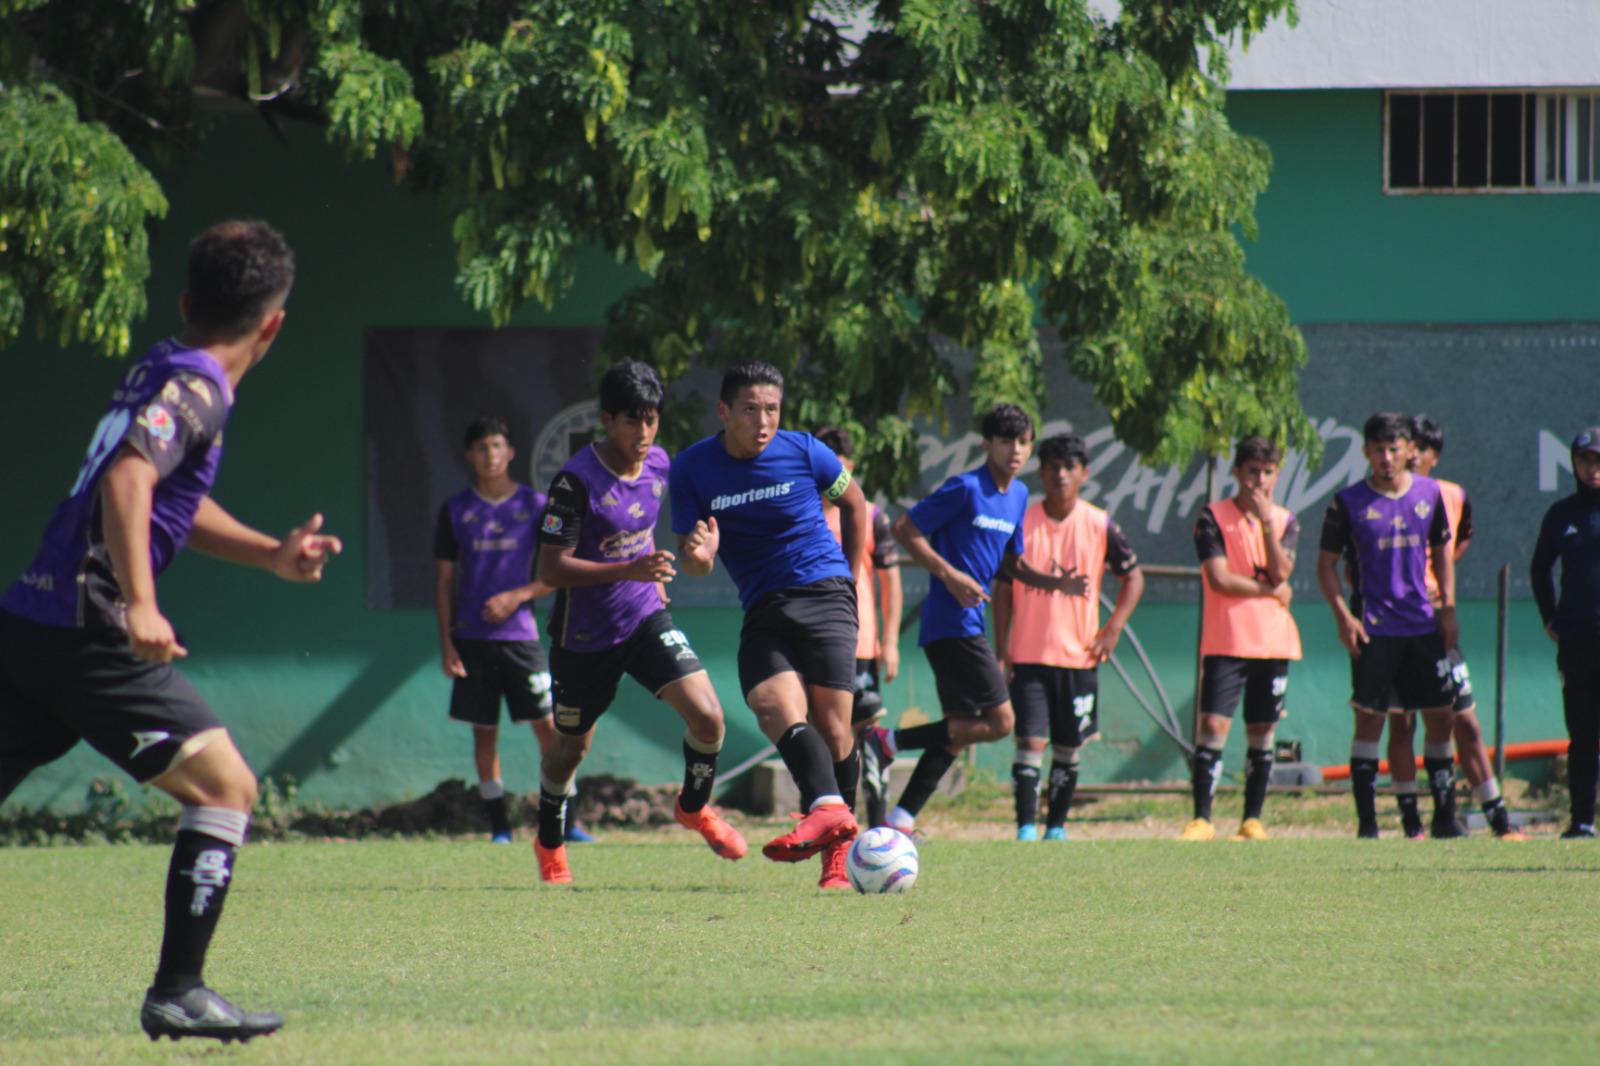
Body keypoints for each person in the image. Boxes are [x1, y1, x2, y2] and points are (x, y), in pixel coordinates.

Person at [0, 221, 342, 1042]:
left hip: (32, 621)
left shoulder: (160, 367)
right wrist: (142, 604)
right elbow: (127, 480)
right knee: (228, 789)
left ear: (188, 301)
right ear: (274, 324)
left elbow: (163, 499)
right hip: (94, 626)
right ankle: (179, 991)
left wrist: (270, 554)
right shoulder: (199, 388)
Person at [529, 360, 746, 882]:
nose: (644, 432)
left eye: (652, 420)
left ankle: (693, 808)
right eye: (633, 421)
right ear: (607, 420)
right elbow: (551, 568)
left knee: (709, 717)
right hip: (583, 637)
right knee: (569, 750)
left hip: (645, 616)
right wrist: (631, 567)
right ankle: (549, 839)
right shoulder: (574, 481)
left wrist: (670, 567)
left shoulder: (661, 466)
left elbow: (643, 531)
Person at [668, 361, 872, 889]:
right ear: (724, 411)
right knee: (771, 705)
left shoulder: (806, 449)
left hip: (825, 593)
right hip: (763, 606)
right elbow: (692, 561)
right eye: (752, 409)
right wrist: (700, 554)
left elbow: (855, 504)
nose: (764, 421)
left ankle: (838, 857)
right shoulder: (692, 468)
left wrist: (850, 577)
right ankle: (829, 810)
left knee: (834, 729)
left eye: (773, 410)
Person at [864, 403, 1063, 837]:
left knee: (957, 732)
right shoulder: (965, 488)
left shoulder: (1018, 497)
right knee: (1002, 722)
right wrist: (950, 575)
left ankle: (901, 819)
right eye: (1005, 440)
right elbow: (904, 528)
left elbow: (1012, 562)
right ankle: (886, 743)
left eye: (1023, 442)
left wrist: (1051, 581)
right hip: (950, 625)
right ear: (986, 444)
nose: (1015, 449)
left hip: (971, 623)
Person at [434, 416, 591, 845]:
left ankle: (566, 822)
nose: (490, 455)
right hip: (471, 640)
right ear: (470, 455)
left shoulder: (538, 506)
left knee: (550, 731)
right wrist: (447, 643)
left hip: (521, 640)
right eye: (481, 447)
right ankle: (500, 827)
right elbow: (444, 582)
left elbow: (559, 572)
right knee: (484, 734)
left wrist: (517, 595)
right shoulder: (455, 510)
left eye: (497, 446)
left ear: (511, 452)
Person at [992, 433, 1143, 841]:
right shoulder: (1020, 522)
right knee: (1029, 741)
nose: (1060, 474)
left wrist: (1112, 630)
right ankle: (1025, 827)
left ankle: (1056, 828)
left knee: (1068, 747)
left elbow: (1134, 579)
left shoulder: (1099, 524)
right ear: (1040, 472)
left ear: (1084, 473)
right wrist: (1001, 647)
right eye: (1053, 467)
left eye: (1069, 467)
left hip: (1079, 658)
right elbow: (1004, 588)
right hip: (1029, 655)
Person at [1317, 412, 1459, 839]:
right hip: (1374, 629)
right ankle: (1368, 824)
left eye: (1393, 448)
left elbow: (1442, 551)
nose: (1385, 456)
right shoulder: (1347, 503)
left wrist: (1448, 606)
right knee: (1371, 722)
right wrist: (1344, 617)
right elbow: (1325, 565)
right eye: (1377, 449)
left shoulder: (1430, 495)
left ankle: (1444, 818)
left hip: (1421, 625)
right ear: (1365, 452)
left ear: (1409, 451)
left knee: (1440, 717)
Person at [1384, 415, 1524, 839]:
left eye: (1419, 450)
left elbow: (1457, 540)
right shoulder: (1382, 497)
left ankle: (1490, 817)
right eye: (1406, 447)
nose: (1411, 457)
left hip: (1434, 618)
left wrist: (1437, 581)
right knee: (1403, 721)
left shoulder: (1449, 495)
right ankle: (1414, 821)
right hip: (1393, 622)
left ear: (1433, 456)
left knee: (1460, 717)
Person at [1180, 436, 1298, 842]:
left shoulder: (1285, 520)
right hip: (1227, 638)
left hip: (1273, 641)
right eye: (1252, 471)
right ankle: (1202, 819)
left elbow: (1282, 571)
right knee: (1212, 724)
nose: (1259, 481)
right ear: (1237, 471)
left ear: (1277, 474)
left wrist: (1267, 523)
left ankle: (1252, 820)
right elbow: (1219, 577)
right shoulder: (1211, 517)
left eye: (1267, 473)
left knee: (1262, 730)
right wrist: (1268, 591)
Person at [815, 426, 903, 828]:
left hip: (861, 641)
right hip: (814, 641)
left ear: (850, 467)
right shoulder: (801, 512)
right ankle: (828, 818)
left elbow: (890, 581)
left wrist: (890, 641)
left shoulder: (869, 514)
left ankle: (879, 822)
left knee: (868, 732)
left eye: (841, 465)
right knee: (824, 734)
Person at [1530, 427, 1600, 839]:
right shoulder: (1562, 514)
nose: (1593, 469)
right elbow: (1540, 568)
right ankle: (1581, 821)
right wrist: (1549, 616)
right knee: (1582, 734)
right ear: (1574, 465)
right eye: (1586, 460)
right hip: (1576, 639)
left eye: (1598, 461)